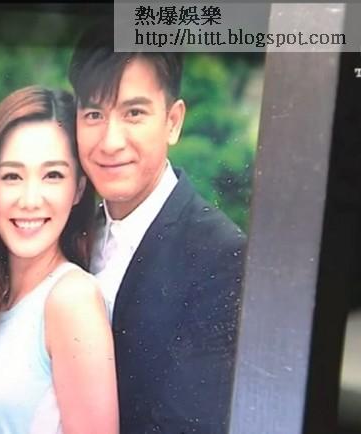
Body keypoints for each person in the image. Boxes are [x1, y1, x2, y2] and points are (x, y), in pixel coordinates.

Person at [68, 21, 247, 433]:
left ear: (173, 121)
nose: (110, 141)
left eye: (134, 113)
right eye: (93, 114)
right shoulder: (68, 229)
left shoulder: (222, 257)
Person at [0, 86, 119, 434]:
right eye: (12, 176)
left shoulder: (72, 300)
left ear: (79, 189)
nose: (30, 200)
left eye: (53, 175)